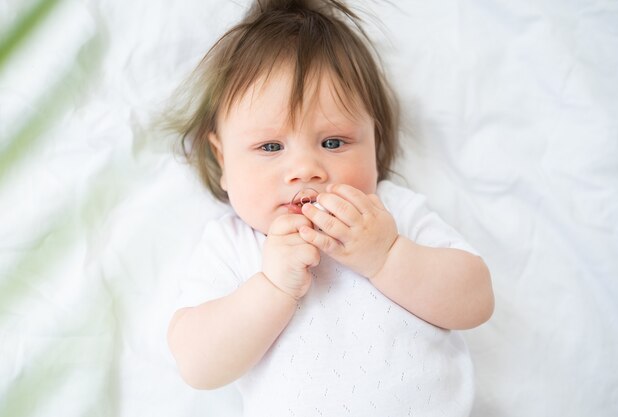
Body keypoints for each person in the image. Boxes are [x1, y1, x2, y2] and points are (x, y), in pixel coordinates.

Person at [166, 0, 494, 415]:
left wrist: (387, 255)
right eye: (270, 147)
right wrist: (272, 287)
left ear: (374, 143)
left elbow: (477, 300)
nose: (306, 169)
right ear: (223, 161)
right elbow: (197, 364)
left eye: (334, 142)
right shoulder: (233, 244)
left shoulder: (391, 214)